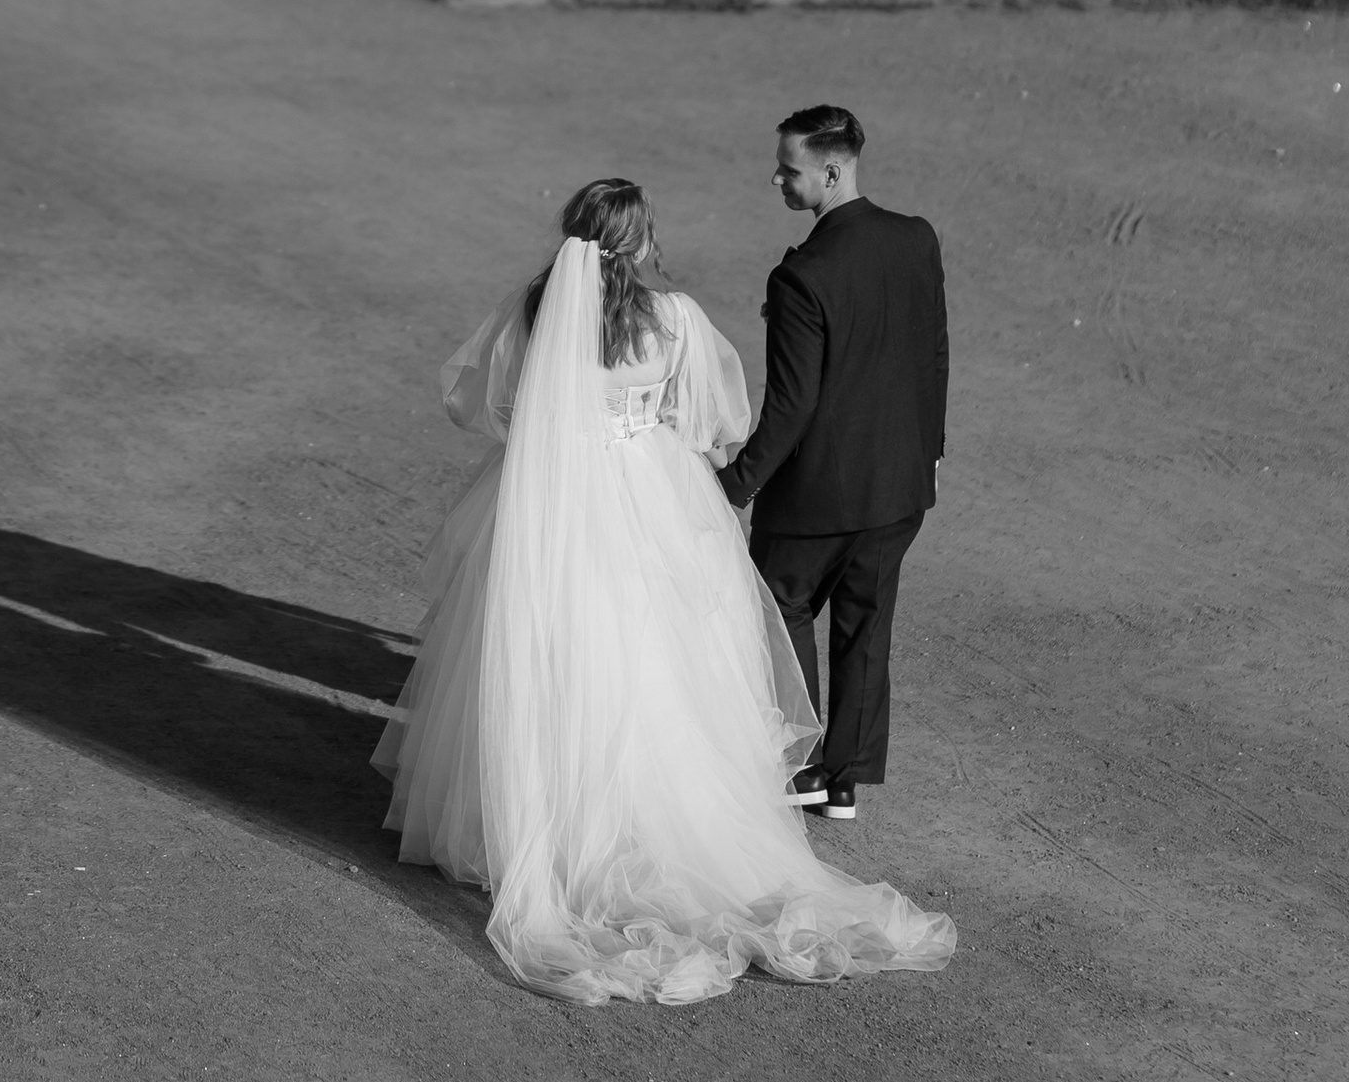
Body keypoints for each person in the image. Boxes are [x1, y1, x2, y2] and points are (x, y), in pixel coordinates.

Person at [375, 176, 954, 1004]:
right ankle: (659, 817)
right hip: (653, 496)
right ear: (641, 241)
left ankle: (558, 828)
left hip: (557, 501)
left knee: (556, 652)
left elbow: (481, 402)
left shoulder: (536, 314)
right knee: (664, 657)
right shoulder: (672, 319)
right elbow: (717, 415)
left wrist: (554, 434)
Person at [718, 105, 947, 828]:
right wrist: (930, 454)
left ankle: (803, 762)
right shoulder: (916, 240)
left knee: (779, 607)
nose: (777, 179)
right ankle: (843, 781)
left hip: (819, 495)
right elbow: (932, 355)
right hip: (900, 483)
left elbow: (790, 408)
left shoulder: (802, 277)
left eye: (788, 168)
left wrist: (733, 484)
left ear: (831, 170)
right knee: (865, 626)